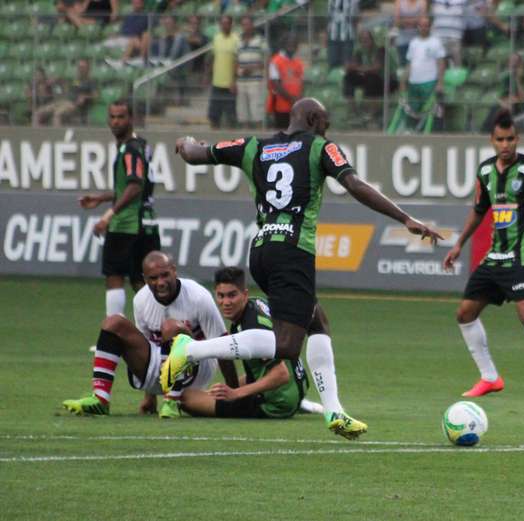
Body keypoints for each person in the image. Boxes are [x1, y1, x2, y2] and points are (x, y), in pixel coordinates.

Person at [168, 97, 443, 438]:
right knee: (285, 346)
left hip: (263, 249)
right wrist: (405, 218)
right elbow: (355, 185)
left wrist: (185, 143)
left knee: (318, 321)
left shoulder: (254, 146)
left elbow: (197, 155)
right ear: (313, 119)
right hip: (293, 251)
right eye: (325, 123)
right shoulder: (320, 148)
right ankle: (191, 349)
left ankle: (334, 412)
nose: (327, 129)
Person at [442, 109, 524, 402]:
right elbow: (479, 211)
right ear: (492, 140)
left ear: (518, 138)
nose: (506, 145)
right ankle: (489, 377)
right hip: (495, 257)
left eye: (511, 139)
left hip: (522, 256)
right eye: (500, 139)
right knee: (465, 313)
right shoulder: (486, 172)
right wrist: (458, 244)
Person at [62, 251, 237, 418]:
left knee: (170, 327)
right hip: (159, 368)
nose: (160, 282)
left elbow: (222, 344)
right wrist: (150, 396)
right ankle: (100, 399)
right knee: (113, 322)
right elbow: (147, 346)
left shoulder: (198, 296)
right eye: (153, 278)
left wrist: (234, 391)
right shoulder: (141, 300)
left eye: (165, 275)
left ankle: (171, 402)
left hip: (196, 369)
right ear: (145, 279)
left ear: (174, 271)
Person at [181, 266, 323, 419]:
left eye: (232, 295)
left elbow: (281, 374)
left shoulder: (252, 327)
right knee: (219, 391)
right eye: (221, 296)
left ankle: (287, 402)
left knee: (185, 398)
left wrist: (236, 393)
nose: (226, 302)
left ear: (244, 294)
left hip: (276, 403)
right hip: (297, 383)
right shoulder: (257, 304)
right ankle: (297, 402)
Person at [78, 99, 161, 317]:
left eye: (121, 117)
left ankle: (114, 334)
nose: (115, 122)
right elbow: (136, 187)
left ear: (131, 119)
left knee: (114, 275)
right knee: (141, 281)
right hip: (146, 220)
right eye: (112, 117)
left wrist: (108, 215)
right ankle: (156, 334)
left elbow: (135, 186)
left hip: (126, 223)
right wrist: (102, 197)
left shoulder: (129, 150)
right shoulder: (141, 144)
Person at [402, 16, 446, 129]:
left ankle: (431, 133)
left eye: (426, 25)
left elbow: (441, 63)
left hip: (429, 82)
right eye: (421, 25)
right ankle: (412, 131)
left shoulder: (436, 42)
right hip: (414, 82)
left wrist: (440, 83)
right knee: (412, 110)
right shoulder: (413, 43)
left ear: (430, 27)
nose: (424, 28)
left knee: (431, 110)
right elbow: (410, 63)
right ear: (418, 27)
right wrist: (403, 80)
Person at [32, 59, 95, 127]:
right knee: (38, 113)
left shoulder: (91, 81)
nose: (80, 69)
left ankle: (57, 136)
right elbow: (65, 85)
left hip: (74, 105)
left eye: (83, 67)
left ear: (88, 69)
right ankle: (37, 134)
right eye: (79, 67)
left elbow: (95, 95)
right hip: (63, 101)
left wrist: (85, 96)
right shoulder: (75, 79)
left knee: (57, 114)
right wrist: (58, 80)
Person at [479, 52, 524, 133]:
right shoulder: (504, 77)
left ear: (519, 63)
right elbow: (498, 95)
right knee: (496, 109)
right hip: (504, 103)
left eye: (516, 60)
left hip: (517, 104)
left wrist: (517, 79)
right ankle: (486, 132)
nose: (513, 63)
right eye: (511, 60)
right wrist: (502, 102)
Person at [236, 15, 269, 129]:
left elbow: (266, 61)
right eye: (244, 24)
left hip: (255, 80)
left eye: (248, 24)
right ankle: (245, 137)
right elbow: (235, 60)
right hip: (241, 80)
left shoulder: (261, 40)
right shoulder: (238, 40)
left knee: (256, 109)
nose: (246, 27)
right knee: (242, 110)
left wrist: (251, 68)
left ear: (253, 25)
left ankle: (259, 135)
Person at [208, 14, 240, 129]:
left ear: (231, 24)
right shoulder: (216, 38)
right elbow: (213, 57)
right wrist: (208, 75)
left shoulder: (236, 39)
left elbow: (237, 61)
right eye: (223, 23)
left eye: (227, 23)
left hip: (230, 84)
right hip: (216, 82)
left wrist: (234, 81)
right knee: (214, 114)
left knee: (231, 115)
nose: (225, 25)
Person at [267, 35, 304, 129]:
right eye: (289, 45)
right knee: (282, 135)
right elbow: (276, 84)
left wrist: (299, 99)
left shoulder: (298, 62)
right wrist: (291, 99)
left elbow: (301, 82)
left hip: (296, 106)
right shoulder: (276, 61)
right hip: (281, 105)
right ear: (284, 45)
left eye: (294, 45)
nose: (292, 47)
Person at [393, 0, 427, 65]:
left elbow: (423, 21)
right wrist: (415, 21)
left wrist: (404, 20)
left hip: (418, 41)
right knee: (403, 66)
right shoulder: (399, 1)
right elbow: (396, 22)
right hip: (402, 41)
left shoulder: (422, 2)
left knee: (418, 65)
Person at [327, 0, 358, 68]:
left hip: (348, 37)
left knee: (346, 64)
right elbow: (329, 16)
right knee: (333, 63)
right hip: (333, 36)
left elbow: (355, 17)